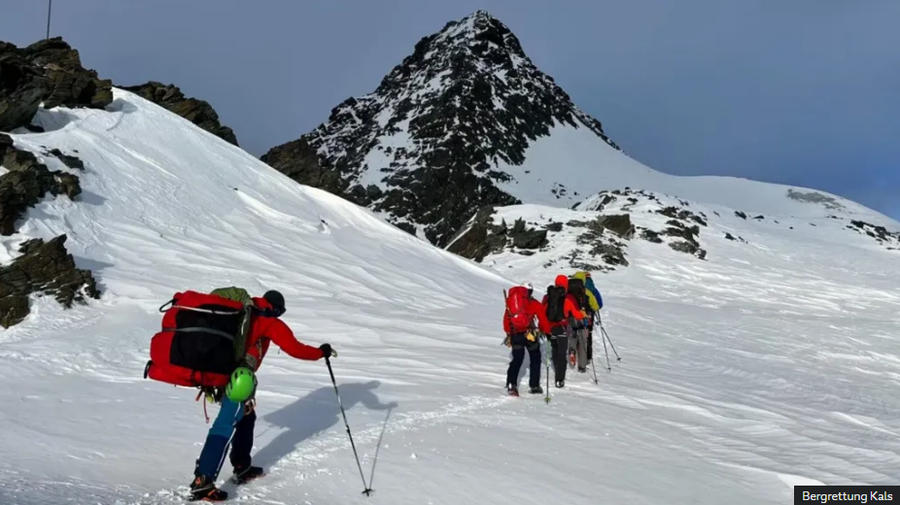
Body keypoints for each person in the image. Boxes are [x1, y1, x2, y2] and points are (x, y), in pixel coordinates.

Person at [189, 290, 335, 502]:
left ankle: (241, 466)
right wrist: (321, 352)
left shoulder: (243, 311)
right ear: (277, 308)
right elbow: (295, 349)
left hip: (221, 375)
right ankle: (203, 481)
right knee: (225, 424)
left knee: (247, 417)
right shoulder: (268, 320)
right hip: (238, 380)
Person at [503, 282, 551, 396]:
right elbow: (543, 319)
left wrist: (509, 333)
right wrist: (546, 332)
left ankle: (511, 383)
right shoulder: (534, 303)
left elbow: (506, 321)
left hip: (515, 334)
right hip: (530, 334)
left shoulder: (511, 303)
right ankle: (534, 386)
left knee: (517, 359)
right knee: (535, 357)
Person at [541, 275, 586, 388]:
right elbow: (577, 314)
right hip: (562, 327)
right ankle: (559, 379)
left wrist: (542, 327)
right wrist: (583, 314)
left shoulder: (547, 297)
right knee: (562, 353)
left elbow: (542, 312)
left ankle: (556, 368)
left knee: (555, 349)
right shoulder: (568, 298)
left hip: (550, 329)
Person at [566, 274, 595, 373]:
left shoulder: (568, 295)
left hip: (570, 319)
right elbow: (593, 306)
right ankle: (582, 365)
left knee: (572, 338)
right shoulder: (585, 295)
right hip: (583, 318)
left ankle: (572, 353)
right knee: (583, 341)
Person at [572, 271, 602, 364]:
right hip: (588, 315)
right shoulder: (590, 290)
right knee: (587, 334)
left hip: (575, 315)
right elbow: (598, 305)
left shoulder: (570, 290)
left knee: (574, 333)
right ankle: (587, 356)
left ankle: (574, 352)